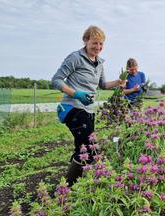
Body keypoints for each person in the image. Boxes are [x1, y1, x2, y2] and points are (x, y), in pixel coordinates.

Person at [51, 25, 126, 187]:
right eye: (95, 43)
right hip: (73, 108)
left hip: (88, 110)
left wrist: (119, 82)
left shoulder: (99, 63)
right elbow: (56, 80)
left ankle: (78, 183)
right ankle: (66, 189)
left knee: (82, 146)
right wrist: (75, 93)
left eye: (101, 44)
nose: (98, 47)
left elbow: (104, 85)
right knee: (90, 149)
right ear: (85, 41)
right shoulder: (75, 58)